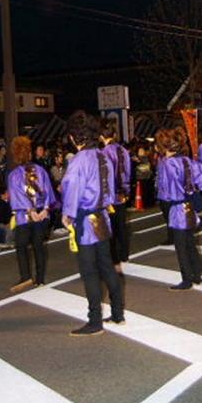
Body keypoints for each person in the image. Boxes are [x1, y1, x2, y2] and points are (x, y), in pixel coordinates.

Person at [61, 110, 124, 336]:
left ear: (73, 137)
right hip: (103, 217)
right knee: (107, 265)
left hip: (86, 219)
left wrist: (67, 214)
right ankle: (117, 312)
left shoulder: (78, 160)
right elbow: (110, 187)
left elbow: (72, 187)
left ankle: (95, 320)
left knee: (89, 271)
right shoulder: (103, 156)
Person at [155, 126, 202, 290]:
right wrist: (196, 188)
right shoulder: (186, 160)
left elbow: (166, 190)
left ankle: (187, 279)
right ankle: (197, 274)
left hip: (177, 207)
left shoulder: (167, 163)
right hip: (190, 205)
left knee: (181, 245)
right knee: (190, 241)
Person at [7, 136, 55, 292]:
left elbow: (17, 196)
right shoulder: (40, 171)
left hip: (24, 216)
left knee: (21, 245)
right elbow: (48, 191)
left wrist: (30, 210)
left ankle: (26, 276)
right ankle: (40, 279)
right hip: (41, 213)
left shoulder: (14, 175)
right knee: (38, 245)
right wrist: (45, 209)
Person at [99, 118, 131, 269]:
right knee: (122, 225)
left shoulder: (104, 152)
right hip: (122, 192)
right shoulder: (123, 150)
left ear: (102, 136)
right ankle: (124, 254)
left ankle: (115, 257)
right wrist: (126, 190)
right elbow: (128, 171)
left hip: (111, 196)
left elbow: (106, 177)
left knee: (111, 227)